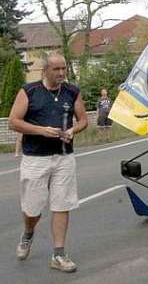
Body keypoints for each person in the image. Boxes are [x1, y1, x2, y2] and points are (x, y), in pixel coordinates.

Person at [8, 52, 88, 273]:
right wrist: (41, 131)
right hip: (35, 159)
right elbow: (14, 122)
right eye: (57, 69)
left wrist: (73, 130)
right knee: (32, 209)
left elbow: (83, 120)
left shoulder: (72, 92)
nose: (62, 73)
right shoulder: (29, 91)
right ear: (46, 70)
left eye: (64, 69)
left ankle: (58, 255)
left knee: (62, 204)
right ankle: (28, 232)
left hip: (64, 157)